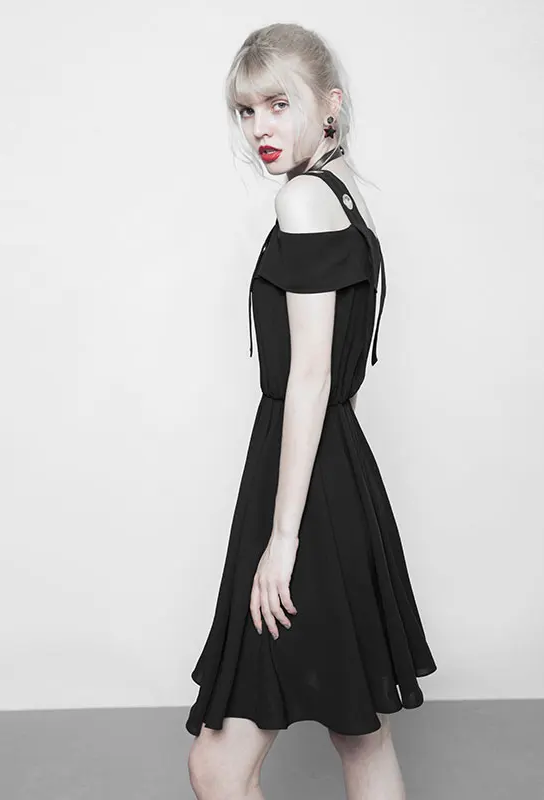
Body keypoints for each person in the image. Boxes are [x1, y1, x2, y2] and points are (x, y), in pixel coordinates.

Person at [186, 22, 437, 800]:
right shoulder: (341, 196)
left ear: (329, 105)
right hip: (339, 477)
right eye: (245, 110)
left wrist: (283, 538)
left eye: (277, 104)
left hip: (306, 492)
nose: (258, 127)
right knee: (360, 736)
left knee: (219, 766)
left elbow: (310, 378)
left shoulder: (301, 199)